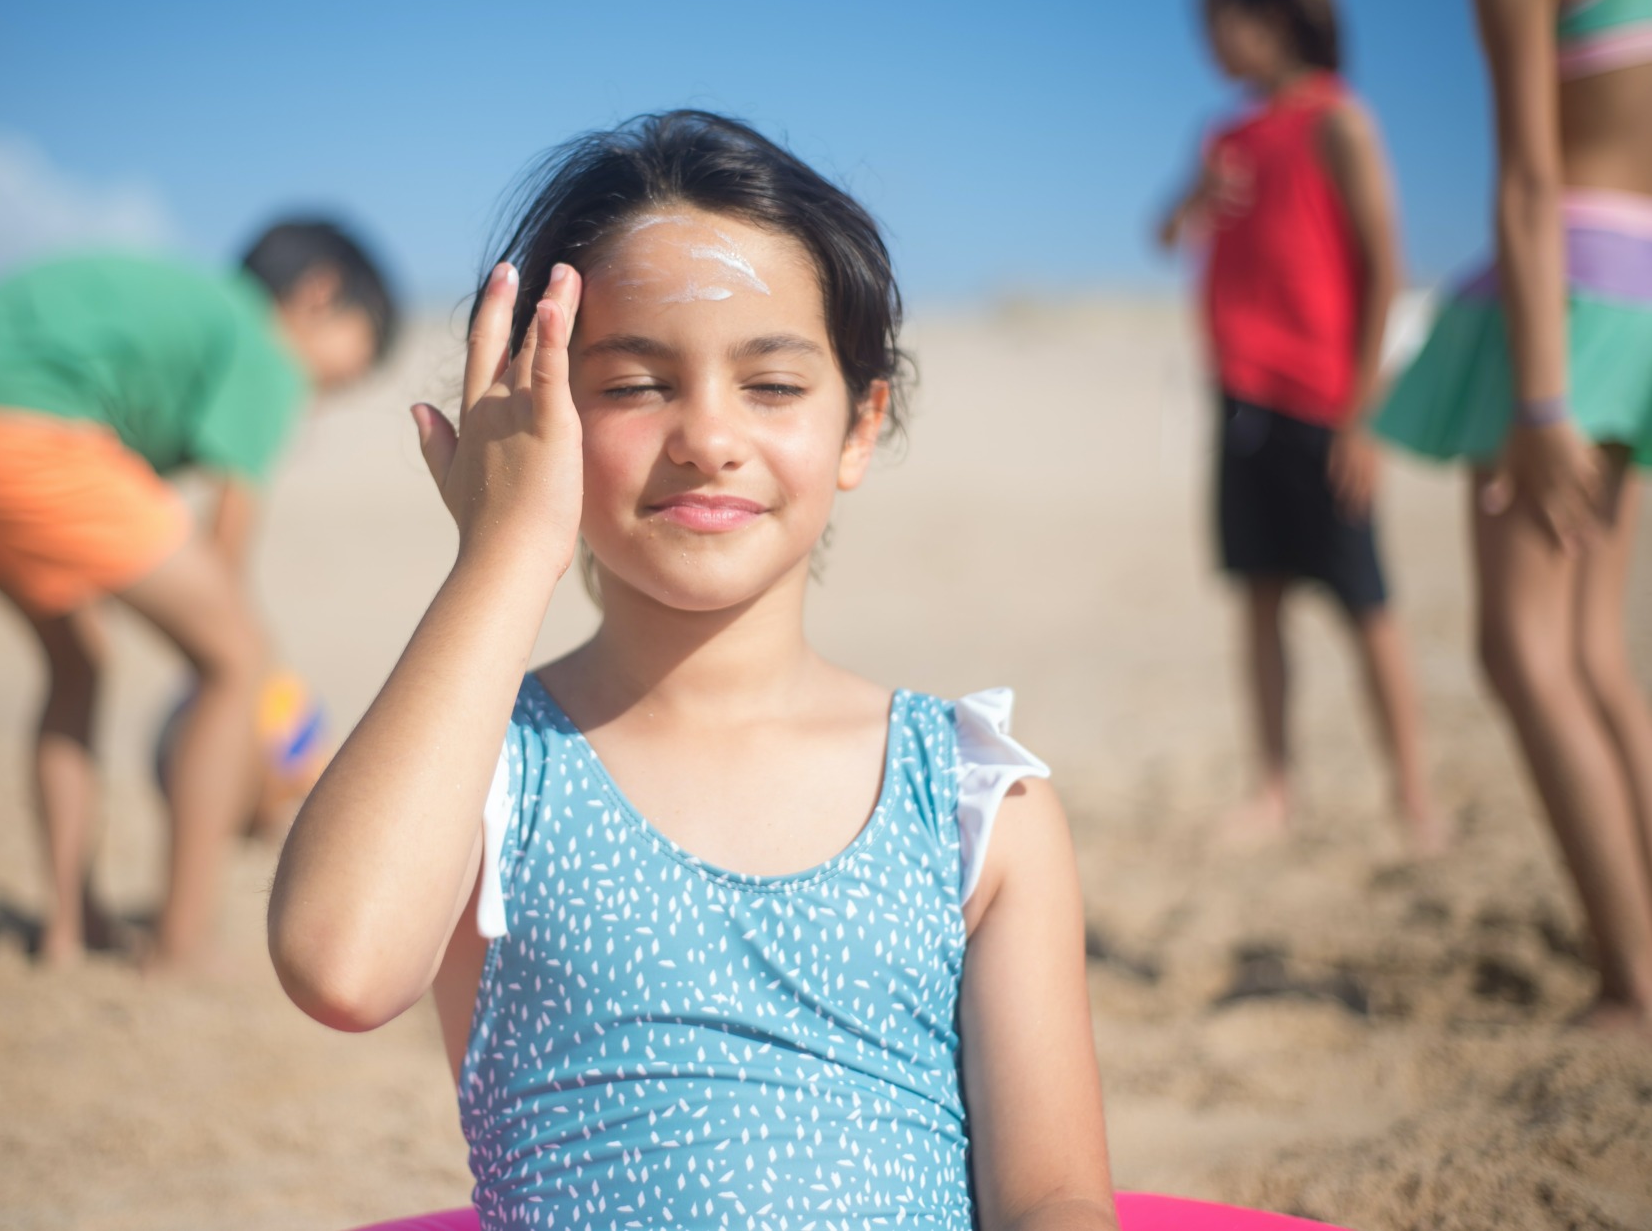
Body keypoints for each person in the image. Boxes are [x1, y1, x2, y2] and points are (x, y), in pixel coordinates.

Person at [268, 111, 1117, 1229]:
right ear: (541, 411)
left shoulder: (969, 798)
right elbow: (340, 963)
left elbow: (1052, 1192)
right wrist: (506, 551)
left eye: (771, 386)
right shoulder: (487, 767)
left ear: (861, 424)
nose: (708, 436)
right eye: (632, 385)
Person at [0, 220, 398, 972]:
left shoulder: (187, 316)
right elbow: (225, 569)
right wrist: (257, 761)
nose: (322, 398)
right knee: (237, 657)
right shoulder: (263, 344)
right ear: (317, 297)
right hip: (22, 425)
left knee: (78, 661)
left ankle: (69, 928)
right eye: (347, 369)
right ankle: (181, 945)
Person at [1374, 0, 1652, 1043]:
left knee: (1523, 652)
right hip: (1649, 294)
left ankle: (1638, 985)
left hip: (1568, 310)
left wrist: (1542, 403)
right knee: (1595, 655)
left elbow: (1529, 179)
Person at [1158, 0, 1443, 855]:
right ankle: (1274, 789)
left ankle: (1414, 796)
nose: (1210, 42)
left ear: (1274, 18)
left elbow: (1385, 269)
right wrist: (1194, 196)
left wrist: (1365, 416)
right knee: (1260, 596)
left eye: (1222, 22)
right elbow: (1165, 234)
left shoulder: (1339, 123)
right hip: (1238, 402)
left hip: (1322, 402)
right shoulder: (1224, 139)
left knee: (1366, 601)